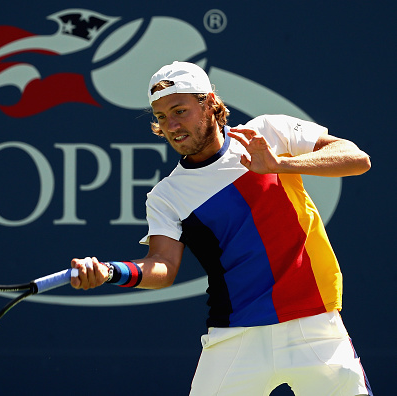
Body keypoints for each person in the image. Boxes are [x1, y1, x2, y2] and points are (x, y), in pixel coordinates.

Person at [69, 61, 373, 395]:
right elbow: (163, 267)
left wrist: (279, 164)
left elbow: (356, 158)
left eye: (180, 110)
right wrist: (111, 271)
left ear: (210, 103)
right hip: (235, 337)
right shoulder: (167, 196)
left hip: (314, 325)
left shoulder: (267, 134)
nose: (171, 125)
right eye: (160, 117)